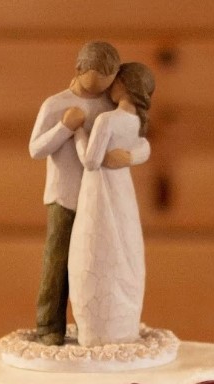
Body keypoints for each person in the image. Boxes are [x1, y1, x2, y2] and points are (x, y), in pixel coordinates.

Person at [28, 41, 150, 344]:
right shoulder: (55, 105)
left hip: (101, 202)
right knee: (57, 261)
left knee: (94, 263)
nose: (101, 94)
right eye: (95, 85)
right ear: (79, 70)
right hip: (66, 195)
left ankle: (92, 327)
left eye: (107, 86)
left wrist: (130, 157)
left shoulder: (110, 106)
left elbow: (140, 142)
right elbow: (35, 149)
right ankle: (49, 325)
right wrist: (65, 128)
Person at [67, 62, 155, 348]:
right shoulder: (137, 121)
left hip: (100, 191)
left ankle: (98, 331)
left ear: (122, 86)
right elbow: (145, 148)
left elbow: (90, 161)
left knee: (95, 250)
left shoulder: (107, 121)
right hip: (122, 191)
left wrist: (78, 131)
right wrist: (129, 158)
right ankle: (122, 325)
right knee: (124, 249)